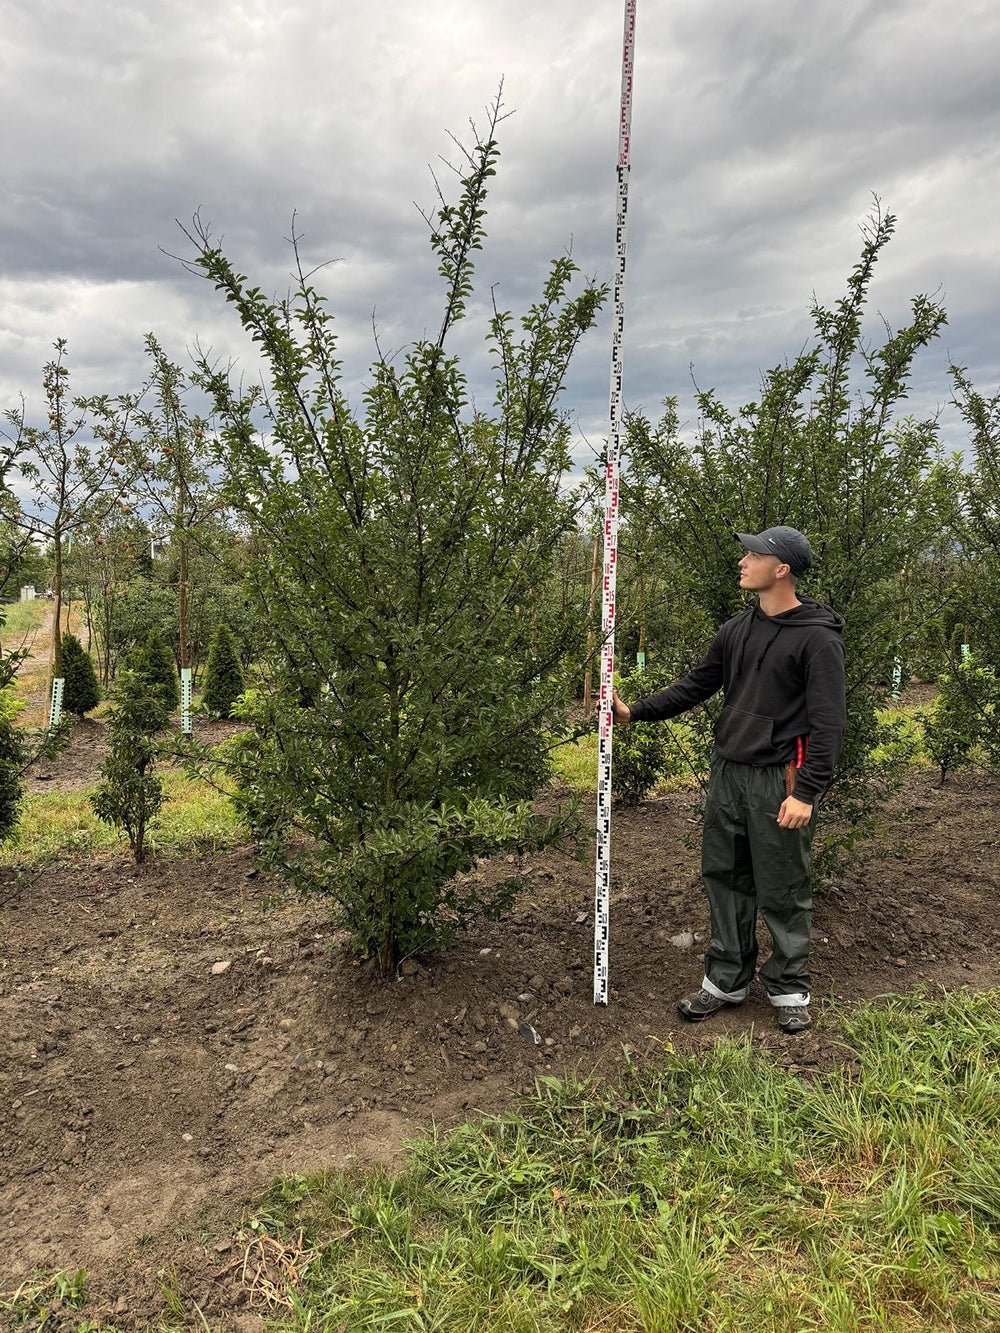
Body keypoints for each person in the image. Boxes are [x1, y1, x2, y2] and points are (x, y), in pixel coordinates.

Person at [609, 526, 845, 1034]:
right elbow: (699, 683)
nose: (742, 560)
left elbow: (829, 724)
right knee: (725, 877)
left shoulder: (818, 640)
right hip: (728, 775)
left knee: (783, 884)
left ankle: (788, 987)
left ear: (781, 569)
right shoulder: (737, 629)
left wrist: (806, 791)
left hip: (778, 780)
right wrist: (636, 713)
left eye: (753, 554)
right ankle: (726, 981)